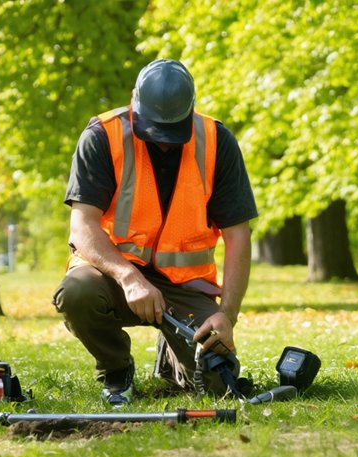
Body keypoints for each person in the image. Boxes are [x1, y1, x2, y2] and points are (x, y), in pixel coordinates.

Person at [53, 59, 258, 408]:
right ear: (134, 100)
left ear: (190, 109)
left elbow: (238, 236)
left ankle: (172, 356)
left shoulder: (217, 141)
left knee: (216, 382)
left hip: (184, 285)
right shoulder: (102, 136)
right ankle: (116, 372)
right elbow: (83, 226)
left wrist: (227, 315)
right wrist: (129, 276)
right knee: (77, 293)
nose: (162, 142)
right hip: (113, 276)